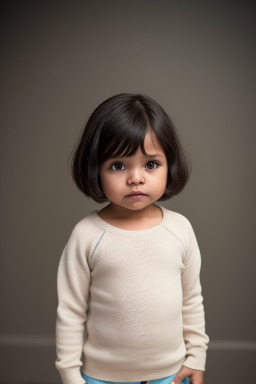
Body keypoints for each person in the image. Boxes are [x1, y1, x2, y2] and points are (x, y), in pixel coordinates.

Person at [55, 93, 210, 384]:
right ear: (95, 169)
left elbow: (191, 300)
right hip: (99, 377)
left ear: (169, 165)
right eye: (118, 165)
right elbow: (71, 310)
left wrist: (196, 358)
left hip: (173, 375)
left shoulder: (179, 229)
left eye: (150, 164)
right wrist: (70, 375)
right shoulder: (88, 235)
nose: (136, 178)